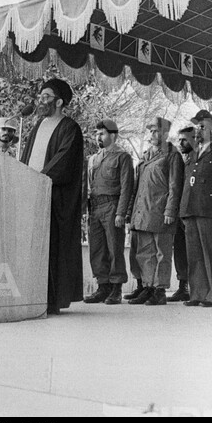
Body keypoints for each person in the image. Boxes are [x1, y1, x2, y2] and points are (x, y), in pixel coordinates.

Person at [20, 78, 84, 315]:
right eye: (40, 96)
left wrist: (40, 178)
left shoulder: (70, 128)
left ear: (59, 101)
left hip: (54, 198)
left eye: (46, 96)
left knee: (52, 248)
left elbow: (64, 161)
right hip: (33, 194)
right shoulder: (38, 125)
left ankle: (50, 299)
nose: (41, 100)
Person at [126, 117, 184, 306]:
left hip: (161, 211)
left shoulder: (172, 154)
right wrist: (131, 213)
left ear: (166, 133)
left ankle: (159, 290)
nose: (152, 134)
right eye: (150, 130)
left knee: (162, 253)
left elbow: (175, 185)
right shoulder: (146, 155)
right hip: (144, 212)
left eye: (156, 131)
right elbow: (137, 187)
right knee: (145, 252)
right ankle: (148, 287)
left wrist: (170, 210)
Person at [83, 119, 134, 305]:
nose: (98, 137)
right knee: (96, 249)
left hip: (112, 206)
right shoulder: (94, 159)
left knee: (114, 248)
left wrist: (121, 213)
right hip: (95, 207)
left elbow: (127, 187)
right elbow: (88, 185)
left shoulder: (123, 157)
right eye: (96, 134)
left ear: (113, 135)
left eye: (102, 133)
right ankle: (102, 286)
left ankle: (116, 287)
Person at [179, 110, 212, 307]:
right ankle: (197, 293)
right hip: (190, 208)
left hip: (207, 208)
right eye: (198, 127)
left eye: (203, 127)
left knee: (210, 253)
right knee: (194, 254)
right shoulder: (193, 152)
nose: (198, 131)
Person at [167, 126, 196, 302]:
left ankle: (193, 287)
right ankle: (182, 285)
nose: (181, 143)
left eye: (185, 139)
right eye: (179, 139)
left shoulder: (197, 158)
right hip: (178, 211)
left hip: (191, 211)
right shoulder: (182, 159)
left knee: (191, 251)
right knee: (179, 249)